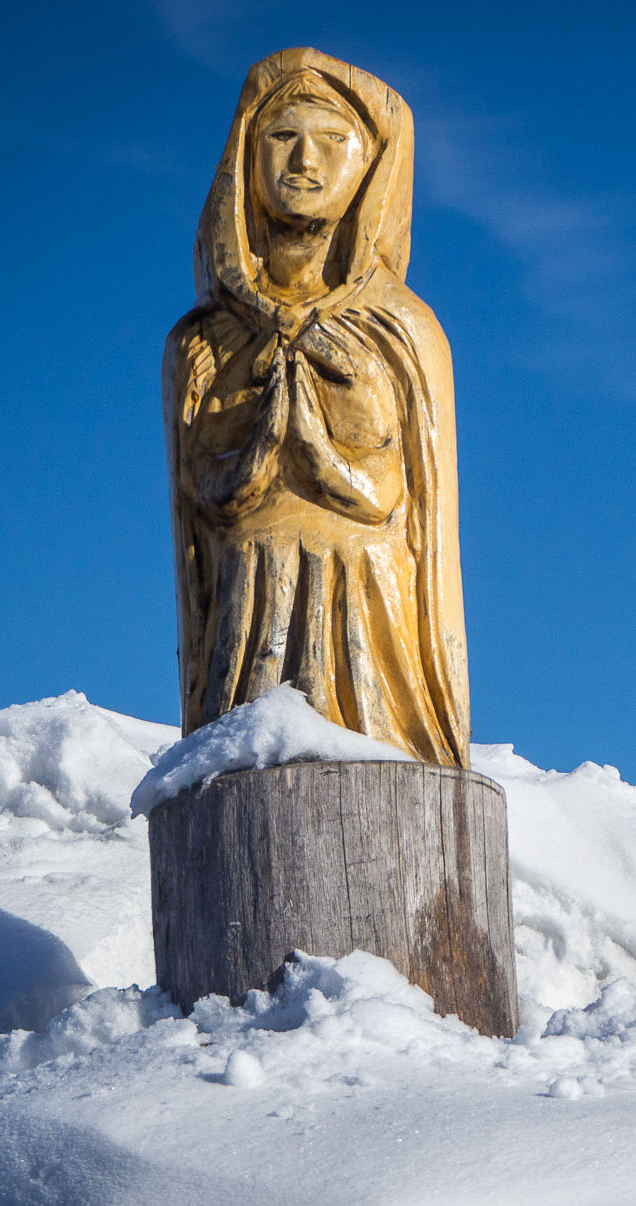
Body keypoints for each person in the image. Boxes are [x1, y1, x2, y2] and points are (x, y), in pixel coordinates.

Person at [164, 49, 470, 766]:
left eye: (334, 141)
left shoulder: (400, 328)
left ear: (372, 165)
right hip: (244, 612)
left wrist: (320, 450)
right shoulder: (205, 340)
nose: (305, 160)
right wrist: (265, 438)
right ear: (246, 156)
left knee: (377, 775)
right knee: (237, 777)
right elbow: (196, 514)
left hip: (371, 613)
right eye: (281, 137)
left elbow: (416, 509)